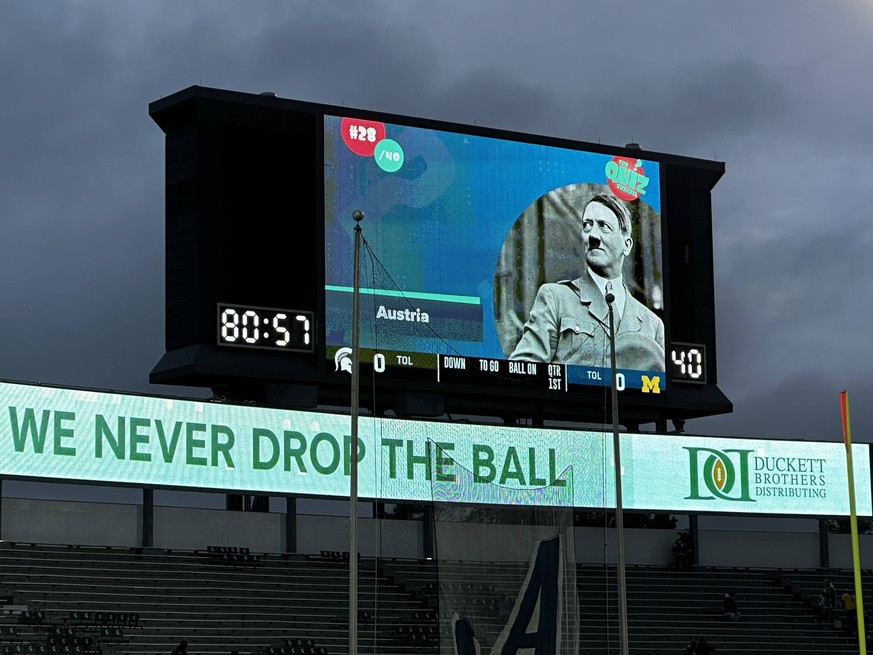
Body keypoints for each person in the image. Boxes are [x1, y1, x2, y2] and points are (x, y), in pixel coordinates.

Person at [510, 192, 665, 371]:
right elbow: (522, 371)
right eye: (587, 226)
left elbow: (660, 391)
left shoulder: (651, 325)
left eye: (603, 226)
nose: (592, 236)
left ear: (627, 245)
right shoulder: (555, 298)